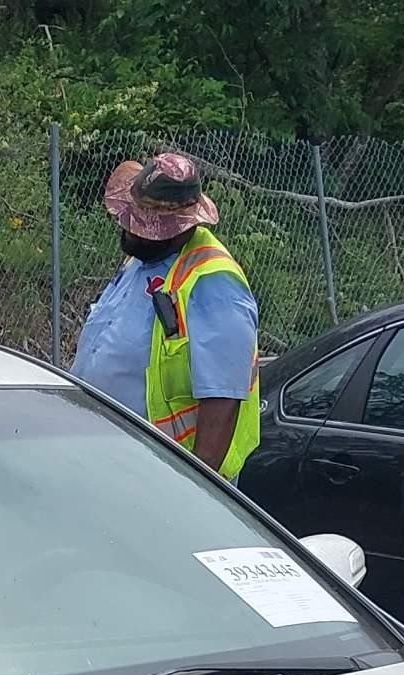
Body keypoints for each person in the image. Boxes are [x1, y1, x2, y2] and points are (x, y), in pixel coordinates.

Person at [68, 152, 261, 480]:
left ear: (179, 229)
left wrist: (196, 492)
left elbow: (223, 400)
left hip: (159, 477)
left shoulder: (213, 283)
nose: (128, 230)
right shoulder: (140, 261)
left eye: (141, 225)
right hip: (105, 460)